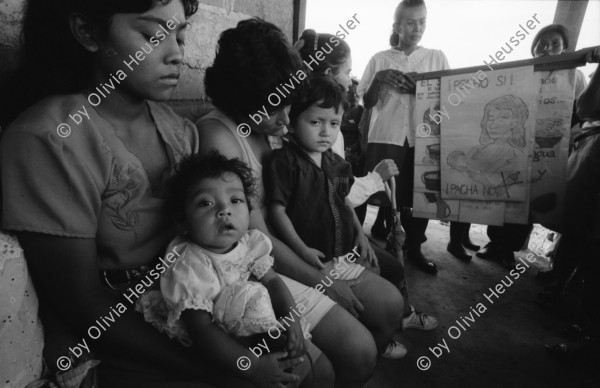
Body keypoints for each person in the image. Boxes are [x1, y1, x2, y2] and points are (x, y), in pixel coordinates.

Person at [0, 1, 315, 387]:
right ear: (87, 31)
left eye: (180, 36)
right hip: (123, 335)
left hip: (199, 305)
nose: (176, 53)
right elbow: (84, 305)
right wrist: (223, 366)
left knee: (310, 368)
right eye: (152, 36)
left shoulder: (181, 132)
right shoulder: (51, 140)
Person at [196, 19, 378, 388]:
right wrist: (323, 282)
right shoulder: (220, 135)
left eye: (288, 104)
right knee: (356, 351)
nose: (285, 119)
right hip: (252, 268)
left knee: (378, 315)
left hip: (289, 252)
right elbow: (256, 236)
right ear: (238, 100)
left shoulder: (267, 129)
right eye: (272, 109)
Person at [137, 152, 318, 386]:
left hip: (244, 320)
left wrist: (292, 319)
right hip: (215, 343)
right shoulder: (189, 267)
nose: (224, 210)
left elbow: (273, 281)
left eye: (235, 200)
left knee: (311, 367)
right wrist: (253, 368)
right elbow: (202, 330)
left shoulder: (250, 244)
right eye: (206, 203)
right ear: (182, 221)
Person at [266, 73, 405, 358]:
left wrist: (360, 234)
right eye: (315, 122)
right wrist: (301, 249)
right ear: (292, 122)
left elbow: (343, 202)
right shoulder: (285, 163)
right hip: (311, 259)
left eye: (334, 124)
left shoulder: (337, 164)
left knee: (387, 294)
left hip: (340, 254)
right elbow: (276, 211)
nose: (326, 132)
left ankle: (370, 347)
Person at [477, 24, 587, 269]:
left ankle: (508, 250)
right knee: (504, 193)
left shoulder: (575, 75)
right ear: (534, 46)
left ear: (565, 48)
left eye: (554, 43)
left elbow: (582, 111)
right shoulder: (520, 72)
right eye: (542, 42)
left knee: (528, 200)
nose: (546, 47)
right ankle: (493, 243)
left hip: (548, 150)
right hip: (514, 146)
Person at [358, 0, 449, 274]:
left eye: (422, 21)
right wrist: (378, 80)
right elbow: (366, 101)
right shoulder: (380, 59)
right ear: (396, 26)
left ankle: (414, 249)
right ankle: (386, 242)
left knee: (419, 196)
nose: (417, 28)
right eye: (410, 22)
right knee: (385, 193)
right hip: (386, 136)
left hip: (423, 138)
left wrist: (420, 88)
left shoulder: (437, 57)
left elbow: (449, 99)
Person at [296, 29, 399, 219]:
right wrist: (376, 178)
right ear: (328, 73)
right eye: (347, 72)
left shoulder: (299, 115)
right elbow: (340, 195)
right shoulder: (327, 134)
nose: (350, 80)